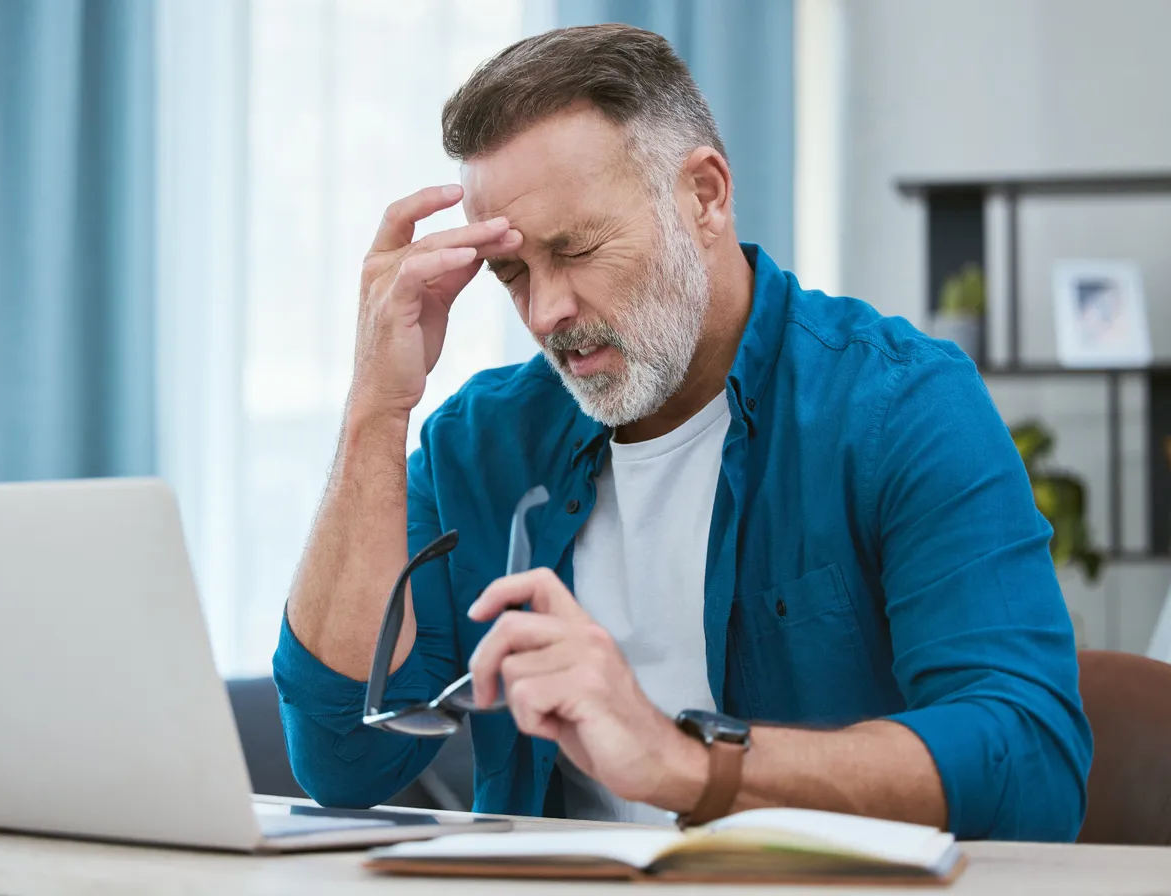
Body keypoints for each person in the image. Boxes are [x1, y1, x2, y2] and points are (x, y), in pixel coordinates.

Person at [273, 24, 1091, 840]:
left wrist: (687, 764)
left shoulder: (899, 408)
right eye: (513, 272)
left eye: (579, 248)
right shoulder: (479, 445)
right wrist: (375, 409)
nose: (545, 309)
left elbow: (1031, 765)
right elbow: (343, 760)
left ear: (704, 194)